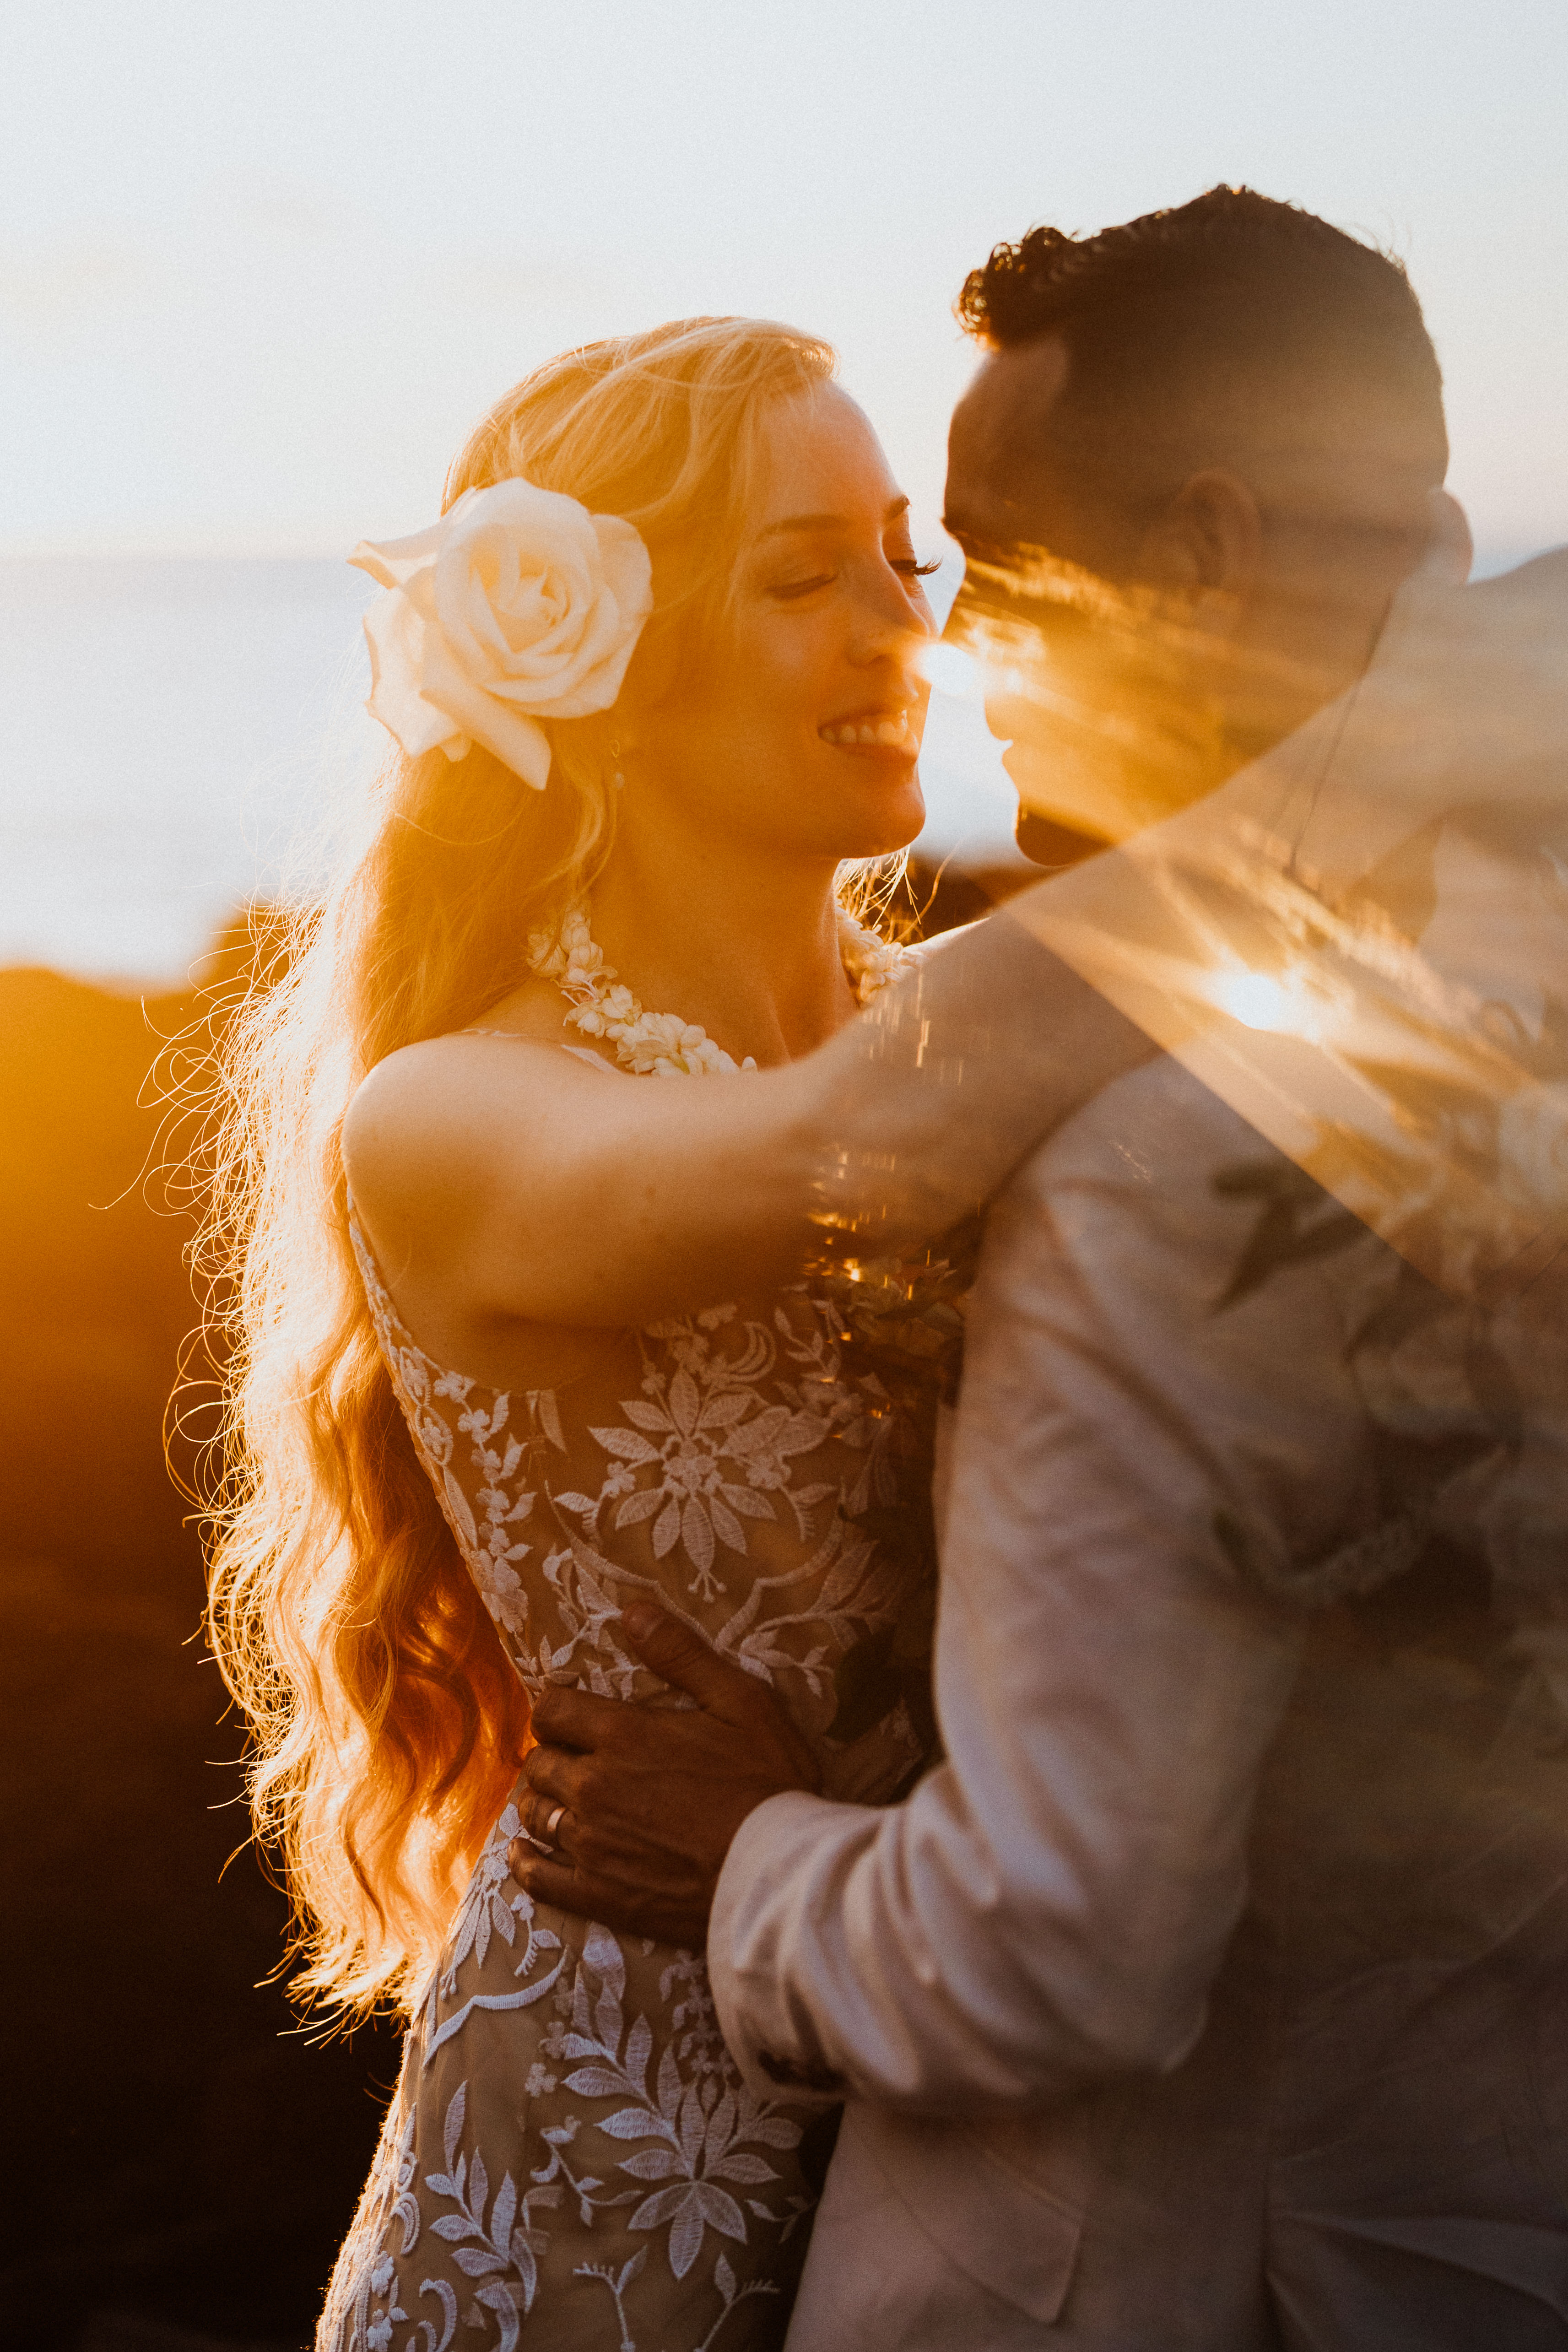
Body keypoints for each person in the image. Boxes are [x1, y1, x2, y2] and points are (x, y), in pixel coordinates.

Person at [508, 192, 1568, 2347]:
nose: (942, 643)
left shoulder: (1180, 1159)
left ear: (1198, 549)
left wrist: (742, 1861)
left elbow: (1051, 1951)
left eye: (975, 570)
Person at [206, 315, 1166, 2352]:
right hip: (603, 2147)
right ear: (604, 676)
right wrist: (1351, 796)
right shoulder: (447, 1115)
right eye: (801, 575)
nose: (896, 628)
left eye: (903, 560)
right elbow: (866, 1143)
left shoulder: (960, 1031)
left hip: (977, 2077)